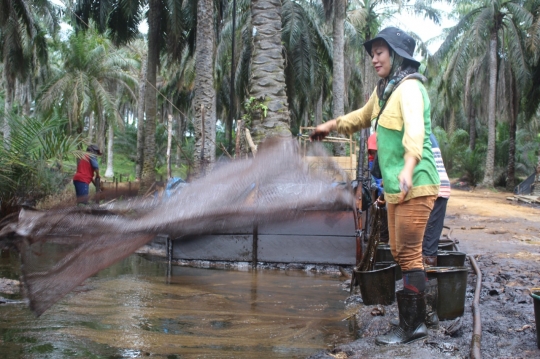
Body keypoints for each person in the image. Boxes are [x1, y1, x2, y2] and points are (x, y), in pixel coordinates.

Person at [310, 27, 440, 345]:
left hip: (417, 182)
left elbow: (416, 131)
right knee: (399, 250)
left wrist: (409, 167)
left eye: (380, 52)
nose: (374, 58)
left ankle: (412, 325)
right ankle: (418, 317)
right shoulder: (385, 91)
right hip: (397, 187)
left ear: (396, 56)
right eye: (372, 53)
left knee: (408, 253)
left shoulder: (409, 89)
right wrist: (330, 126)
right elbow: (363, 116)